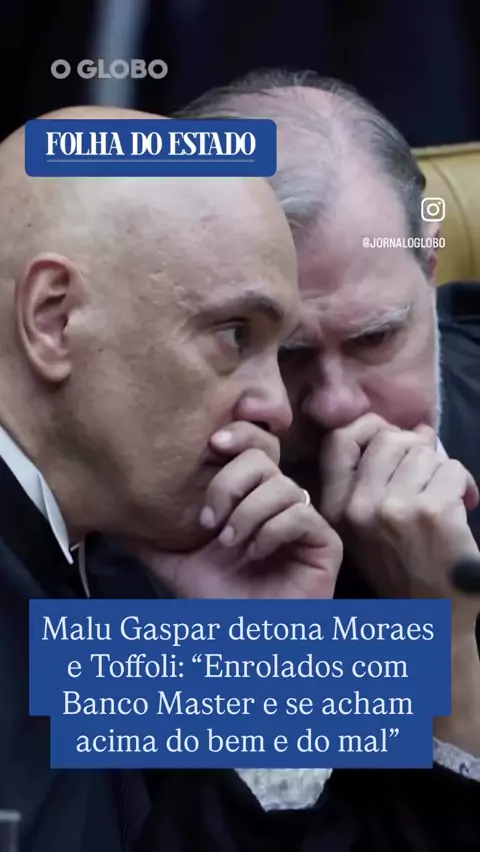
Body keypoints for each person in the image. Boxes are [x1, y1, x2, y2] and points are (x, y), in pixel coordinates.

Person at [113, 72, 480, 850]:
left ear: (429, 271)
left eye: (377, 337)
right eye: (285, 354)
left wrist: (446, 656)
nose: (335, 405)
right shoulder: (119, 534)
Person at [0, 104, 345, 852]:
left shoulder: (98, 556)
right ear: (54, 320)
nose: (278, 408)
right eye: (234, 334)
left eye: (278, 352)